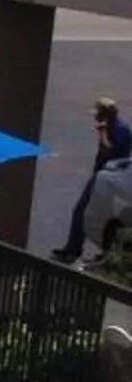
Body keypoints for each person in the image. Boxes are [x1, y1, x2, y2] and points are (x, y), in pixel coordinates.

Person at [50, 98, 132, 265]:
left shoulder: (121, 130)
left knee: (93, 212)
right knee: (86, 211)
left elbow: (110, 152)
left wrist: (102, 134)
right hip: (103, 175)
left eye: (99, 115)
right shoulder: (112, 127)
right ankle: (75, 248)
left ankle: (77, 251)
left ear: (106, 115)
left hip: (111, 179)